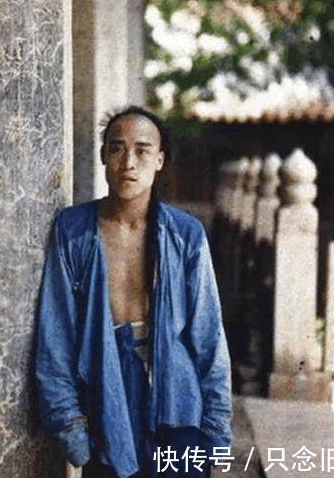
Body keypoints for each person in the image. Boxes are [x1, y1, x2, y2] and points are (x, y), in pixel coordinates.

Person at [35, 106, 232, 478]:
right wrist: (71, 426)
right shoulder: (74, 230)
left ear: (159, 161)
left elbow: (208, 337)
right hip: (105, 400)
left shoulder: (185, 235)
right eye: (117, 148)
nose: (128, 162)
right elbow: (55, 337)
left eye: (142, 151)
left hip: (177, 405)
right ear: (102, 156)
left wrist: (216, 430)